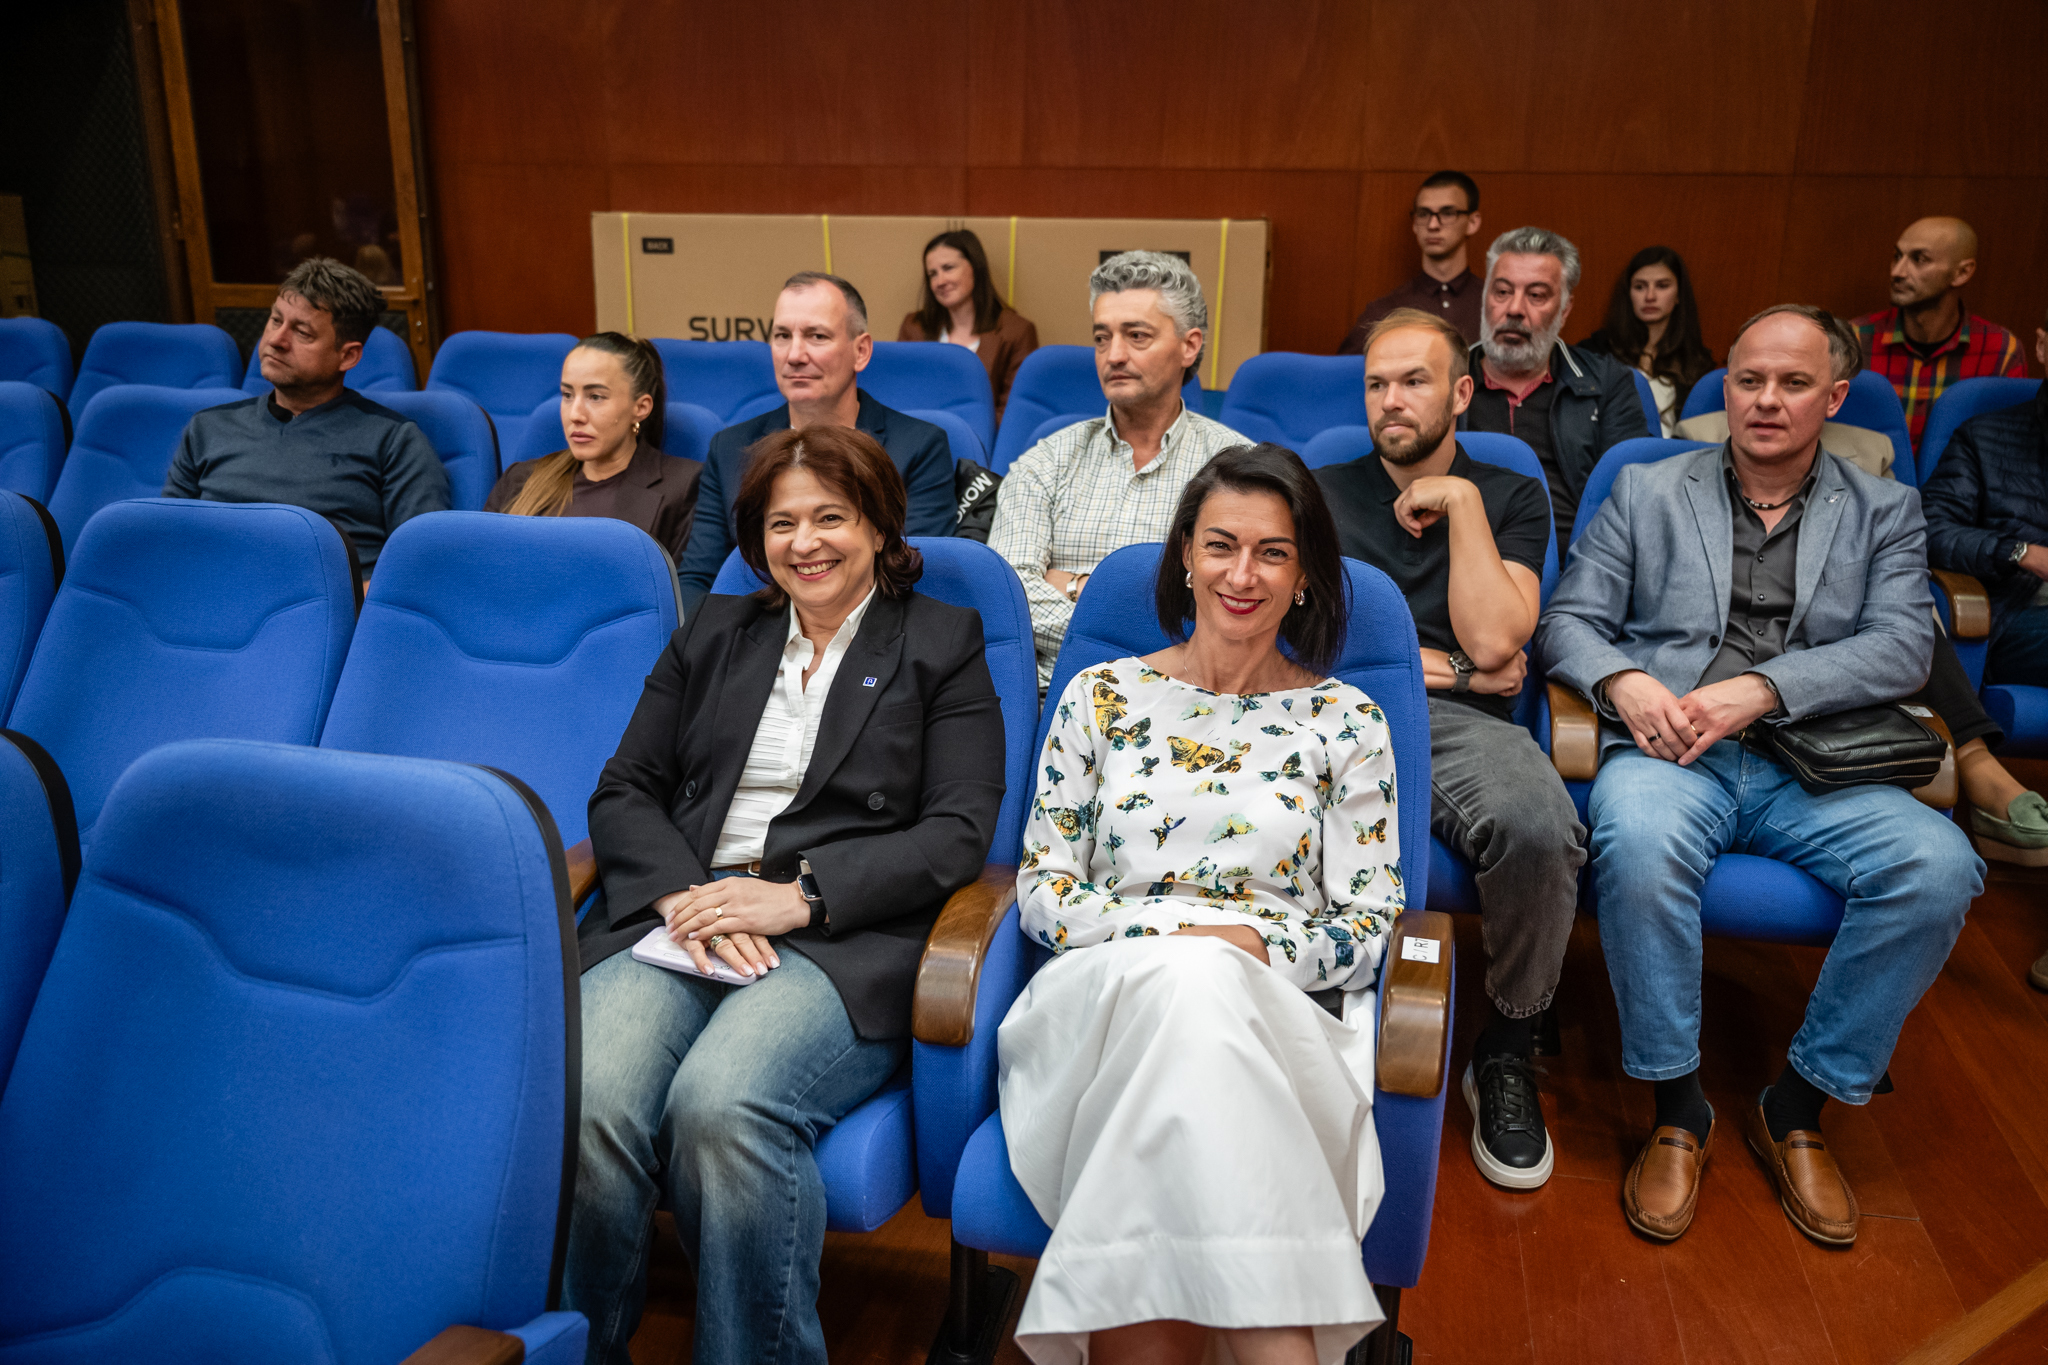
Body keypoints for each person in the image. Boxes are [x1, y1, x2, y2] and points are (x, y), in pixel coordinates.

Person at [1535, 304, 1983, 1247]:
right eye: (1749, 380)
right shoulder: (1647, 490)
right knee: (1639, 840)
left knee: (1941, 865)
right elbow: (1569, 620)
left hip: (1818, 764)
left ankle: (1798, 1105)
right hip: (1672, 749)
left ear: (1834, 397)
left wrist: (1766, 688)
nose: (1767, 400)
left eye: (1792, 383)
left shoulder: (1884, 509)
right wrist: (1623, 681)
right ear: (1726, 389)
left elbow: (1904, 646)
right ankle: (1677, 1107)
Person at [566, 424, 1005, 1365]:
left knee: (722, 1105)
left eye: (830, 517)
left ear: (880, 525)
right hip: (691, 913)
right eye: (781, 523)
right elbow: (624, 787)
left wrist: (798, 895)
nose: (805, 542)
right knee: (591, 1095)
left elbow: (958, 830)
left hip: (838, 936)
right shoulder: (717, 631)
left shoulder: (942, 640)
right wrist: (688, 894)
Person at [1003, 443, 1404, 1365]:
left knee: (1202, 995)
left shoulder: (1348, 721)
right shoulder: (1101, 696)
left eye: (1273, 552)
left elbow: (1369, 922)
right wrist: (1198, 939)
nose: (1242, 573)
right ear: (1184, 553)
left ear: (1305, 575)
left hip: (1279, 1010)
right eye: (1221, 544)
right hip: (1104, 999)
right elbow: (1043, 888)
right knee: (1191, 982)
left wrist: (1251, 954)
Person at [1315, 309, 1579, 1190]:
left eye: (1414, 381)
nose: (1390, 400)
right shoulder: (1319, 491)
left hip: (1458, 726)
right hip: (1334, 705)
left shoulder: (1507, 494)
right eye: (1376, 384)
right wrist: (1457, 669)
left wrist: (1461, 502)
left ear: (1463, 392)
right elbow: (1304, 642)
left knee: (1539, 825)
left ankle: (1507, 1041)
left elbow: (1499, 638)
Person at [988, 250, 1248, 690]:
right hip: (1052, 697)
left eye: (1137, 336)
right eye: (1102, 338)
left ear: (1189, 346)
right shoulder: (1046, 460)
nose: (1114, 355)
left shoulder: (1237, 467)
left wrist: (1073, 585)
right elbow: (1006, 597)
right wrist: (1155, 638)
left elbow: (1237, 607)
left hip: (1190, 699)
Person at [674, 272, 957, 614]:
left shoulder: (919, 446)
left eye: (817, 336)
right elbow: (698, 580)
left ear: (861, 351)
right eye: (782, 336)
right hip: (750, 633)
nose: (794, 355)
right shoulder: (730, 448)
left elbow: (914, 576)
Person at [162, 256, 449, 575]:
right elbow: (165, 543)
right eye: (275, 320)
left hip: (331, 603)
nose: (276, 340)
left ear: (348, 355)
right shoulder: (207, 428)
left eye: (302, 332)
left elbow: (420, 570)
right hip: (212, 594)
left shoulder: (395, 441)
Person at [1921, 310, 2048, 879]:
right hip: (2020, 614)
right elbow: (1930, 530)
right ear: (2042, 345)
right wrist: (2022, 552)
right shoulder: (1987, 435)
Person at [1457, 227, 1651, 552]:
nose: (1515, 309)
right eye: (1502, 291)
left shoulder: (1607, 383)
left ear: (1564, 309)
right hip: (1460, 555)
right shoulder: (1445, 379)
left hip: (1573, 559)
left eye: (1536, 295)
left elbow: (1631, 497)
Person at [484, 332, 702, 561]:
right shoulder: (520, 480)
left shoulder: (684, 487)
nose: (575, 415)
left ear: (641, 408)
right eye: (567, 395)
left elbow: (683, 582)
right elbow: (479, 567)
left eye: (596, 397)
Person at [1853, 217, 2027, 450]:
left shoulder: (2001, 350)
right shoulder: (1855, 338)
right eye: (1897, 256)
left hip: (1958, 473)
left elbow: (2008, 447)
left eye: (1919, 259)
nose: (1897, 271)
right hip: (1869, 471)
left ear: (1962, 273)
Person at [896, 228, 1039, 423]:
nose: (940, 281)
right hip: (920, 434)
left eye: (948, 268)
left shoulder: (1017, 331)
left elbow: (1013, 414)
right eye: (932, 274)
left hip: (984, 438)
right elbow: (902, 394)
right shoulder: (914, 327)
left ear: (975, 267)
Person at [1338, 171, 1485, 353]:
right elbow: (1347, 368)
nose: (1432, 225)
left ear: (1472, 222)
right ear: (1414, 224)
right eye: (1423, 214)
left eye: (1447, 213)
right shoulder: (1385, 312)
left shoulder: (1497, 305)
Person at [1581, 247, 1716, 437]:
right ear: (1628, 294)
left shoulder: (1697, 363)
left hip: (1677, 453)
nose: (1650, 296)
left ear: (1679, 294)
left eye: (1662, 286)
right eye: (1640, 287)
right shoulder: (1596, 353)